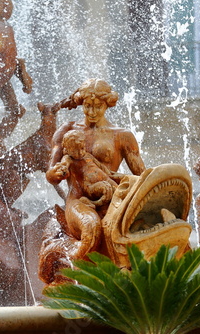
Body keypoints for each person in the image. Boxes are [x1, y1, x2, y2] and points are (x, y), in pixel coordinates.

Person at [45, 78, 145, 260]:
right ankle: (70, 263)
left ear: (108, 104)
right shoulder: (67, 130)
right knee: (91, 226)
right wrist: (56, 173)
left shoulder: (122, 135)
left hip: (114, 200)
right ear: (81, 103)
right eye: (87, 106)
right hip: (78, 201)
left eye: (98, 106)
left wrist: (124, 179)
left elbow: (143, 176)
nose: (92, 111)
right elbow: (50, 174)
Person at [57, 130, 118, 209]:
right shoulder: (69, 159)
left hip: (106, 178)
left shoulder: (88, 155)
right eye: (75, 151)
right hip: (91, 187)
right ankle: (92, 202)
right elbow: (64, 164)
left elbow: (101, 167)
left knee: (118, 190)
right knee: (106, 189)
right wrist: (63, 168)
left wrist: (110, 174)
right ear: (67, 150)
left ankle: (123, 202)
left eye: (82, 148)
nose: (80, 153)